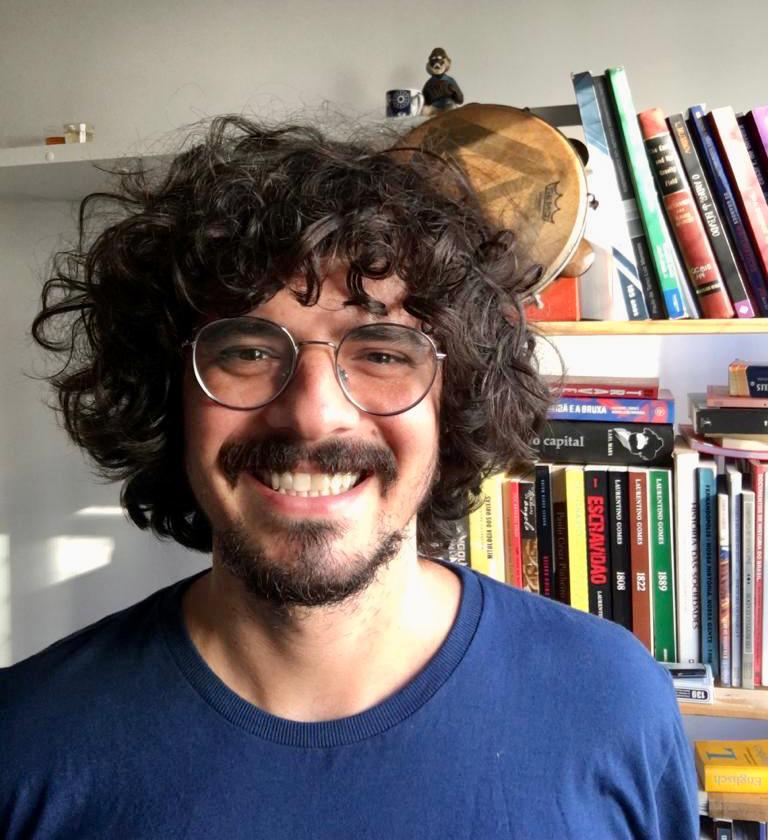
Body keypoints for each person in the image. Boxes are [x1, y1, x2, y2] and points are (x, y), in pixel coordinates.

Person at [0, 116, 698, 839]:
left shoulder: (613, 703)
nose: (313, 414)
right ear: (167, 396)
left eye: (383, 352)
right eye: (246, 351)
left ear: (455, 400)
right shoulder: (24, 742)